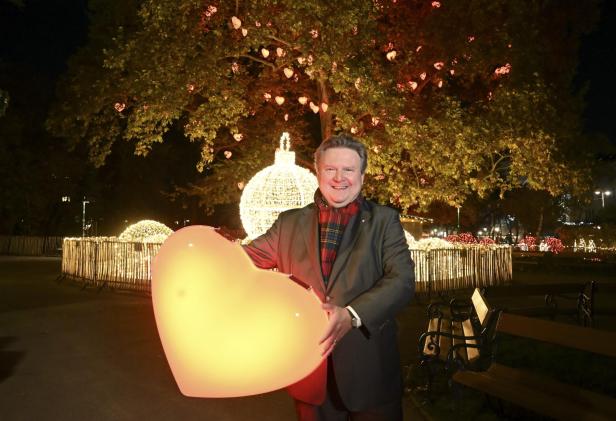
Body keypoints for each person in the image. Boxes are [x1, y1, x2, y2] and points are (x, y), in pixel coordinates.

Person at [243, 133, 415, 421]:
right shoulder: (288, 223)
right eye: (330, 169)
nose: (339, 178)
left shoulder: (384, 221)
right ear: (318, 172)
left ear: (362, 174)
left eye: (348, 169)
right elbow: (243, 261)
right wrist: (208, 249)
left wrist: (352, 314)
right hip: (309, 374)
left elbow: (402, 281)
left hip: (371, 374)